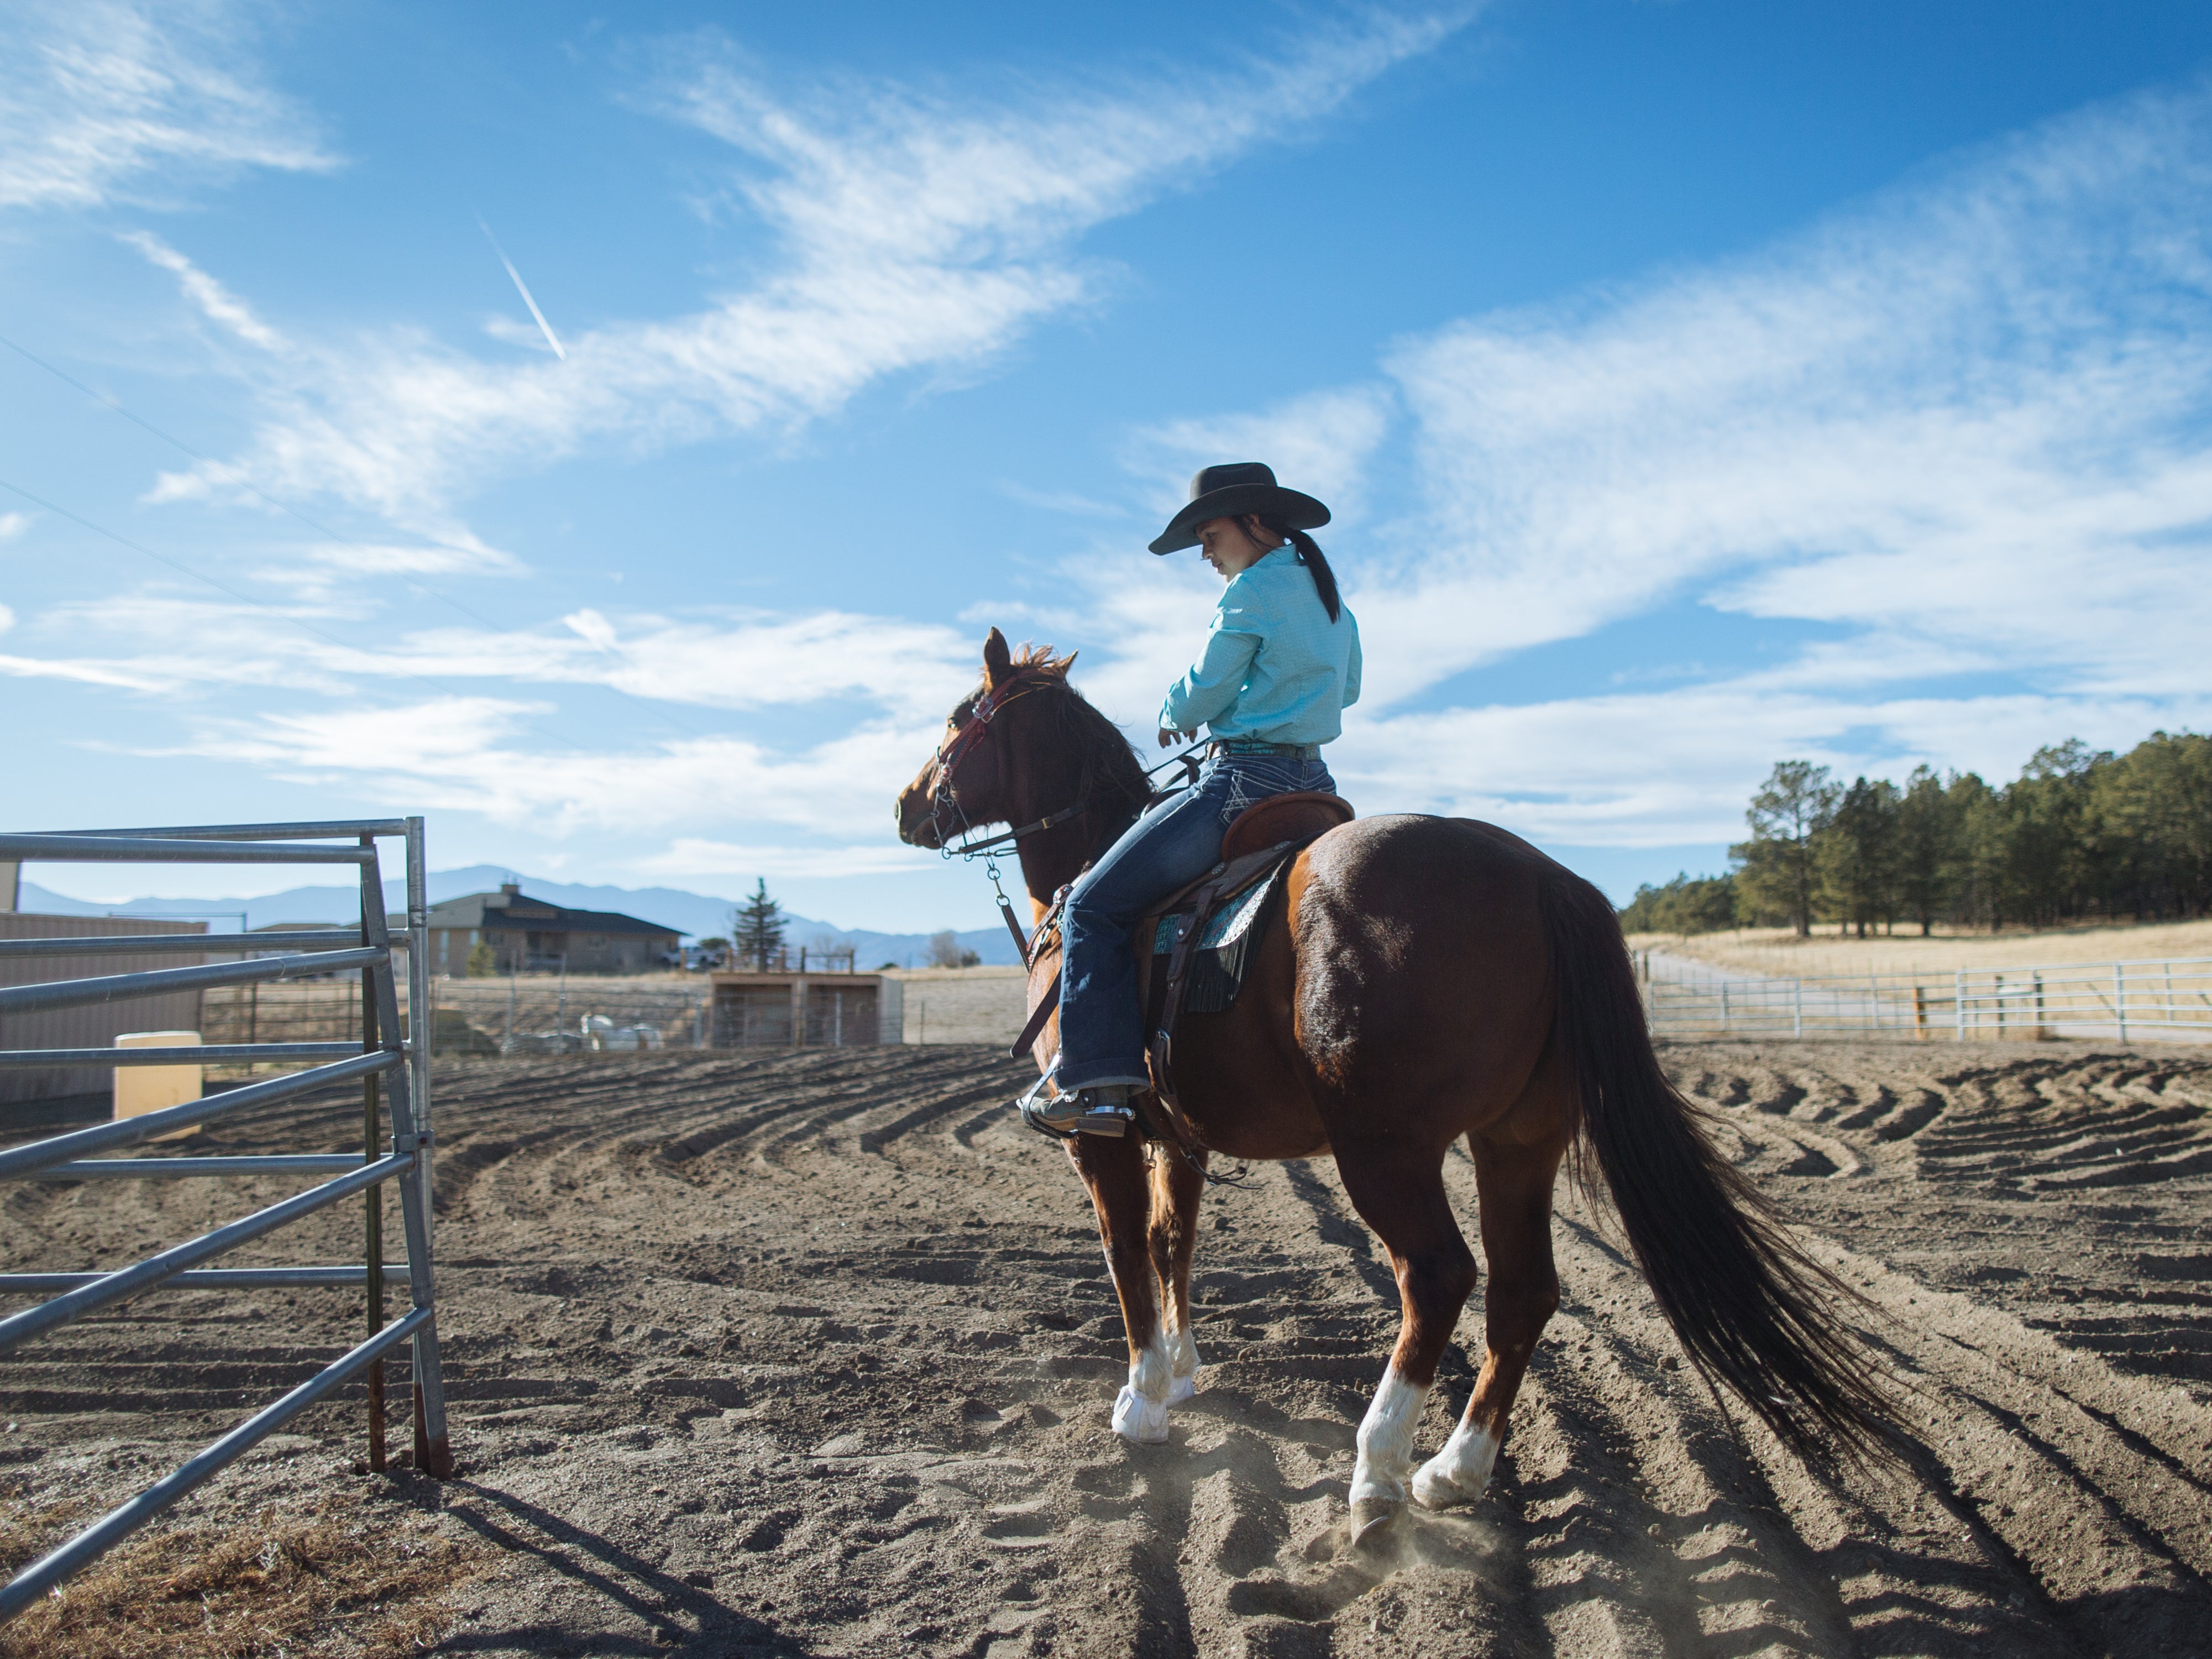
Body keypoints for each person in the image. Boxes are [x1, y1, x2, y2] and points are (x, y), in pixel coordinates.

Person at [1032, 462, 1361, 1137]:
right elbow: (1347, 689)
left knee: (1093, 904)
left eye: (1210, 536)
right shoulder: (1330, 599)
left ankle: (1098, 1086)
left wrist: (1175, 709)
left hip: (1244, 784)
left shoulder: (1249, 592)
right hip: (1317, 788)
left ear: (1256, 522)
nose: (1207, 554)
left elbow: (1205, 687)